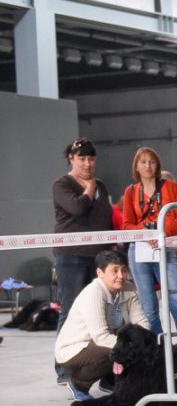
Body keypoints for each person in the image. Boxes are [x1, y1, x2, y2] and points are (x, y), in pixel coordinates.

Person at [121, 147, 177, 350]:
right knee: (149, 308)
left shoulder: (170, 186)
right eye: (143, 162)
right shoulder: (130, 192)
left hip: (166, 247)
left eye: (152, 162)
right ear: (136, 167)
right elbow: (127, 224)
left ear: (157, 166)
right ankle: (158, 352)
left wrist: (161, 232)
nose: (148, 166)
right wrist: (147, 235)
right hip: (139, 251)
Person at [52, 138, 114, 385]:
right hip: (71, 256)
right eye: (82, 159)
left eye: (91, 158)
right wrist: (89, 187)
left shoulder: (102, 185)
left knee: (103, 312)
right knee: (70, 310)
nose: (87, 163)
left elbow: (106, 216)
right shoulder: (62, 184)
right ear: (71, 159)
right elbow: (77, 208)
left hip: (99, 257)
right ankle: (63, 369)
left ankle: (104, 369)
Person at [54, 249, 149, 401]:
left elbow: (141, 321)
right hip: (75, 349)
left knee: (130, 344)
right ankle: (78, 384)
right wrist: (133, 347)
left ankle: (109, 382)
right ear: (100, 272)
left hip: (100, 343)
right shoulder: (94, 293)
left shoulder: (128, 288)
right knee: (116, 353)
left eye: (124, 270)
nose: (121, 276)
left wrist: (145, 341)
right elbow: (101, 337)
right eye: (115, 271)